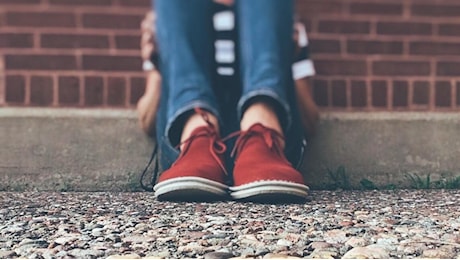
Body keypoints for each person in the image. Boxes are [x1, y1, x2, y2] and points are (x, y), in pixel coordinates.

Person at [141, 0, 317, 203]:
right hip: (188, 149)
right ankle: (197, 133)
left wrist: (286, 63)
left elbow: (310, 123)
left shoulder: (279, 18)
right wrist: (160, 68)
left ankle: (261, 127)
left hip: (271, 147)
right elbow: (147, 123)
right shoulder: (173, 19)